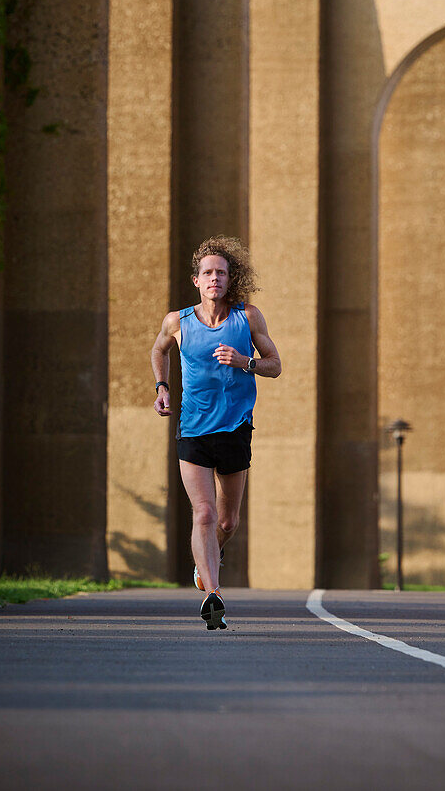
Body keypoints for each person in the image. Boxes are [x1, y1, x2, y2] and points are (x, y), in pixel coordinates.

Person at [150, 236, 281, 630]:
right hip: (193, 430)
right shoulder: (178, 321)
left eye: (221, 273)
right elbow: (159, 350)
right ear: (196, 280)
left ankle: (205, 563)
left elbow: (275, 365)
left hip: (236, 430)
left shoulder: (248, 317)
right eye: (207, 273)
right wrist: (162, 386)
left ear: (229, 279)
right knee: (203, 513)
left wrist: (246, 362)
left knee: (227, 523)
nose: (214, 279)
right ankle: (213, 595)